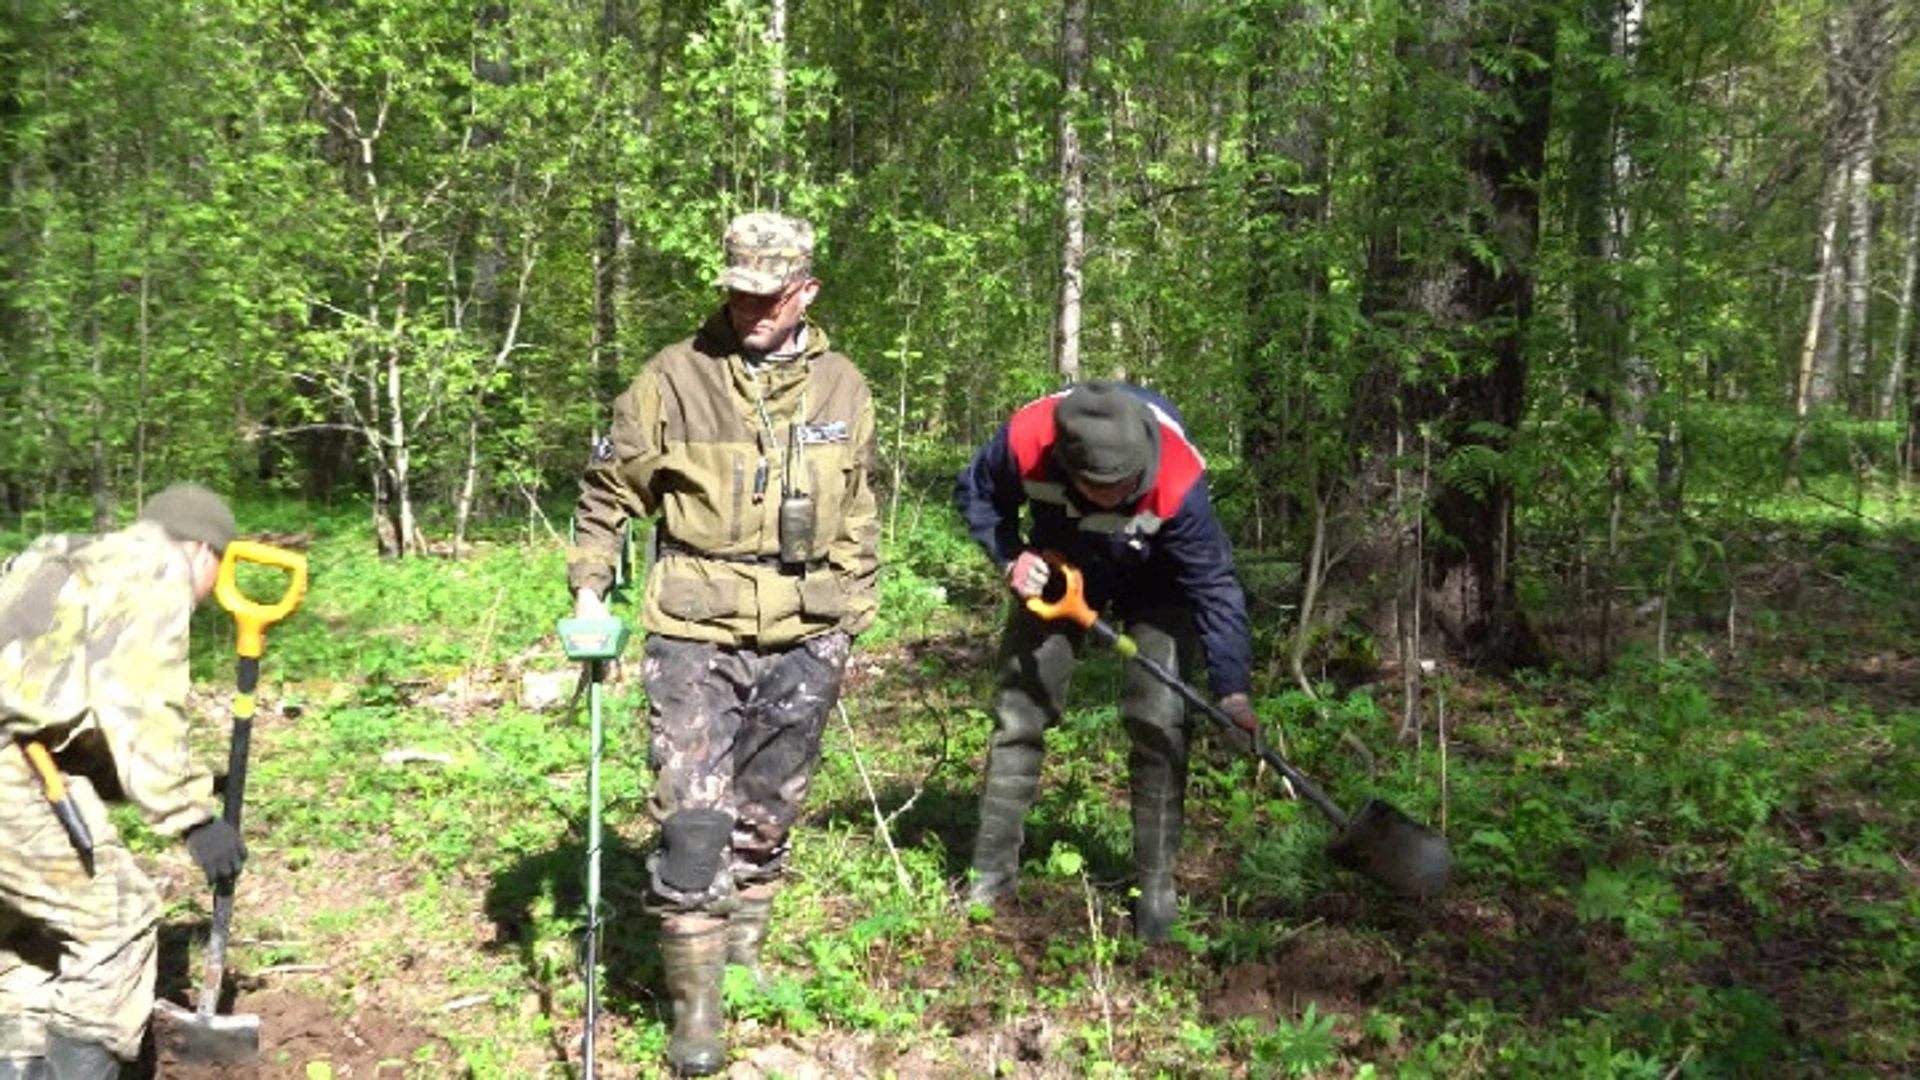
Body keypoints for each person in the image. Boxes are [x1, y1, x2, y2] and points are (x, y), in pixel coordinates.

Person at [567, 211, 880, 1077]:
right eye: (736, 294)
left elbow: (857, 502)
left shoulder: (844, 385)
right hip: (694, 628)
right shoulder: (672, 379)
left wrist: (854, 607)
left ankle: (741, 956)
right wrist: (591, 586)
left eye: (767, 298)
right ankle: (696, 1011)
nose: (748, 311)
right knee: (696, 821)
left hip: (808, 628)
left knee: (769, 811)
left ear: (805, 292)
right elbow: (608, 493)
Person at [953, 380, 1256, 944]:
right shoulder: (1026, 439)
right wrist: (1010, 558)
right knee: (1020, 710)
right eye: (1101, 488)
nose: (1116, 498)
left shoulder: (1177, 477)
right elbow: (976, 494)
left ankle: (1157, 890)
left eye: (1124, 488)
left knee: (1158, 717)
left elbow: (1214, 585)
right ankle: (989, 879)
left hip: (1157, 581)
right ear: (1069, 467)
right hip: (1059, 568)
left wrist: (1232, 689)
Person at [0, 483, 249, 1080]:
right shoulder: (153, 573)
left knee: (27, 933)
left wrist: (149, 783)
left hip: (26, 757)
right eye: (220, 568)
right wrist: (192, 817)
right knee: (118, 918)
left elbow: (47, 695)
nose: (213, 593)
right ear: (200, 550)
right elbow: (141, 706)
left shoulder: (62, 555)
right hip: (13, 769)